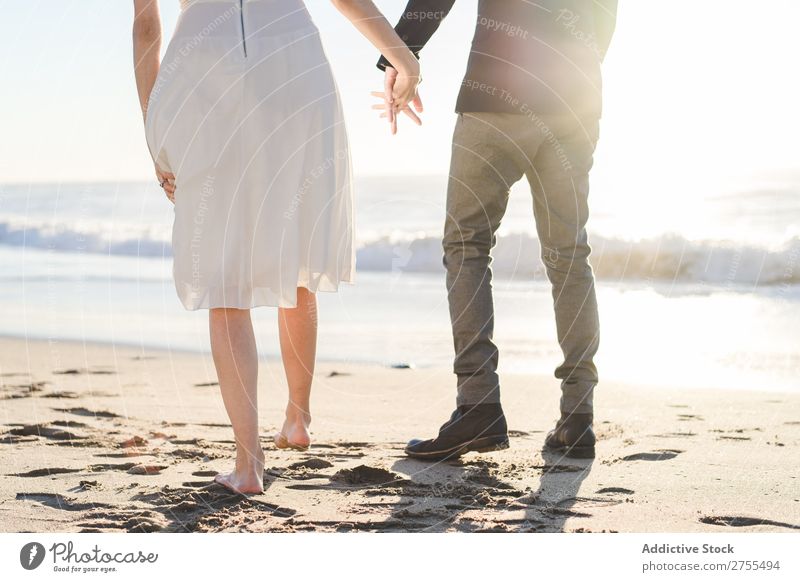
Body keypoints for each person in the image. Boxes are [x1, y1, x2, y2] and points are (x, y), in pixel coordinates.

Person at [133, 0, 421, 494]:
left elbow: (145, 23)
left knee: (224, 278)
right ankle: (297, 418)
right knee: (295, 250)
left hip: (203, 67)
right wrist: (404, 58)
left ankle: (249, 465)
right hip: (293, 61)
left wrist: (152, 127)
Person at [375, 0, 617, 460]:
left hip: (497, 89)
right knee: (569, 254)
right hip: (574, 101)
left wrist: (402, 53)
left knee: (467, 245)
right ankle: (578, 416)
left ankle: (478, 405)